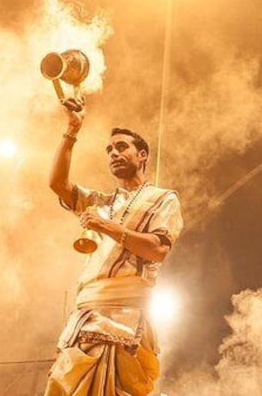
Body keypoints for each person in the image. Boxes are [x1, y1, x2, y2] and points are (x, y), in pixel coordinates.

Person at [44, 97, 184, 396]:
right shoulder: (99, 201)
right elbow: (57, 184)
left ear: (142, 155)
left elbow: (157, 249)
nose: (113, 153)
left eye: (121, 147)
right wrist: (72, 130)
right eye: (109, 150)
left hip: (127, 316)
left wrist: (106, 226)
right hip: (86, 316)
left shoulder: (163, 199)